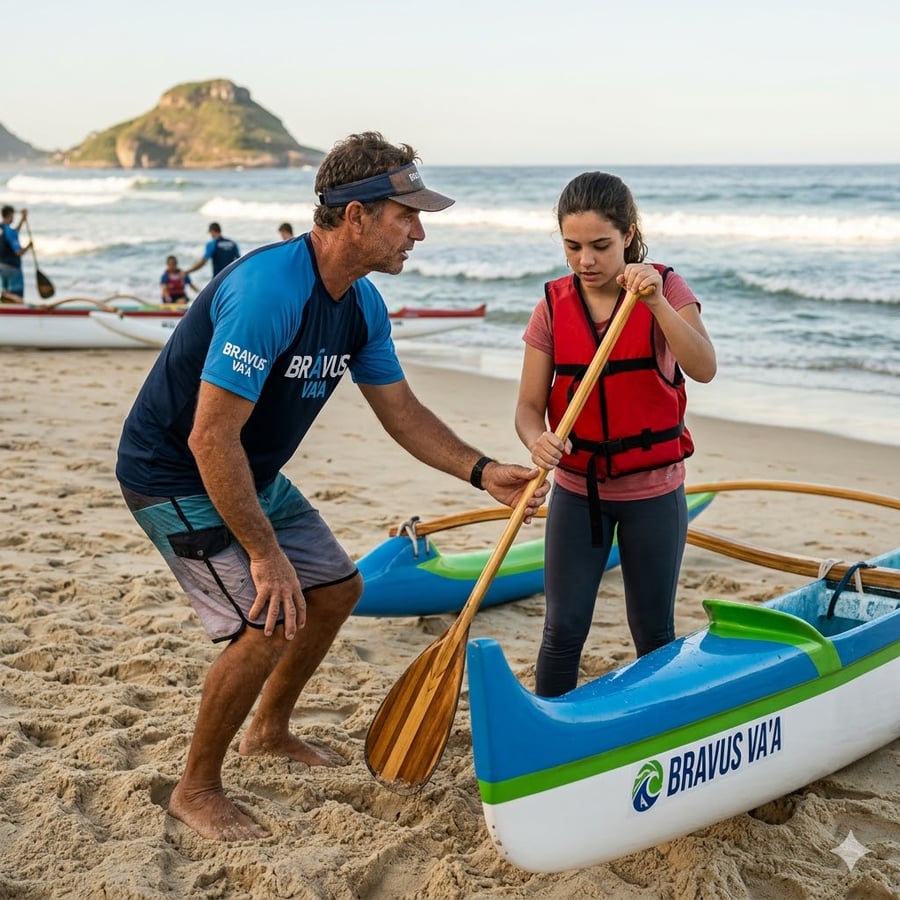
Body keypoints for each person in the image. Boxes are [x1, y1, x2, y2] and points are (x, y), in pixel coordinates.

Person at [115, 131, 548, 842]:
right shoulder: (268, 294)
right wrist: (263, 553)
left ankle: (269, 730)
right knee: (267, 619)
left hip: (247, 472)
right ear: (356, 216)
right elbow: (208, 438)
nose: (420, 231)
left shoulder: (360, 305)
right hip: (174, 475)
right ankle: (195, 789)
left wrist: (481, 471)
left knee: (337, 589)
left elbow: (401, 411)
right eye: (406, 214)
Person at [515, 171, 717, 698]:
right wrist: (536, 438)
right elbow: (528, 408)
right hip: (580, 494)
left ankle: (658, 736)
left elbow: (704, 366)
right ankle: (549, 740)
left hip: (654, 493)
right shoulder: (552, 309)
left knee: (653, 633)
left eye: (601, 246)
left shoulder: (667, 288)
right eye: (573, 246)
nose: (586, 261)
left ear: (628, 235)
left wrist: (654, 304)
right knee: (561, 632)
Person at [0, 205, 32, 299]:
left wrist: (22, 219)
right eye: (13, 216)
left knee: (6, 293)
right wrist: (28, 247)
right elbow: (18, 252)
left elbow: (13, 233)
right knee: (16, 296)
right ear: (10, 215)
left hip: (2, 266)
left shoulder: (2, 228)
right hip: (12, 267)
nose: (13, 218)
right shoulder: (9, 231)